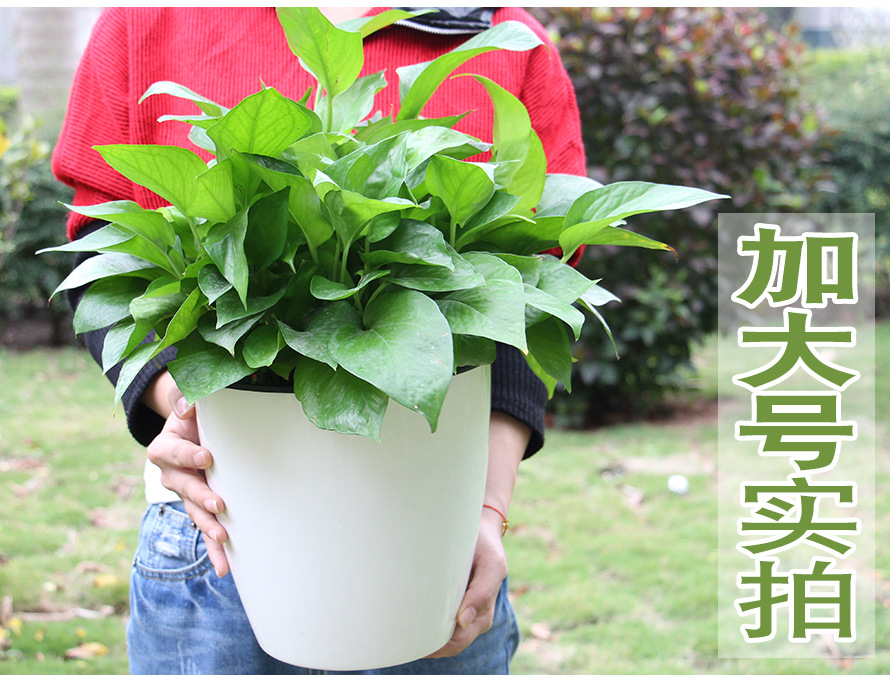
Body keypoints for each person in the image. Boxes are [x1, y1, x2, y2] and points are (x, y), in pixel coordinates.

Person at [53, 6, 586, 675]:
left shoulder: (499, 34)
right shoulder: (148, 19)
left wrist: (486, 510)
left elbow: (529, 300)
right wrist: (179, 401)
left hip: (433, 549)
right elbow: (102, 260)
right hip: (215, 531)